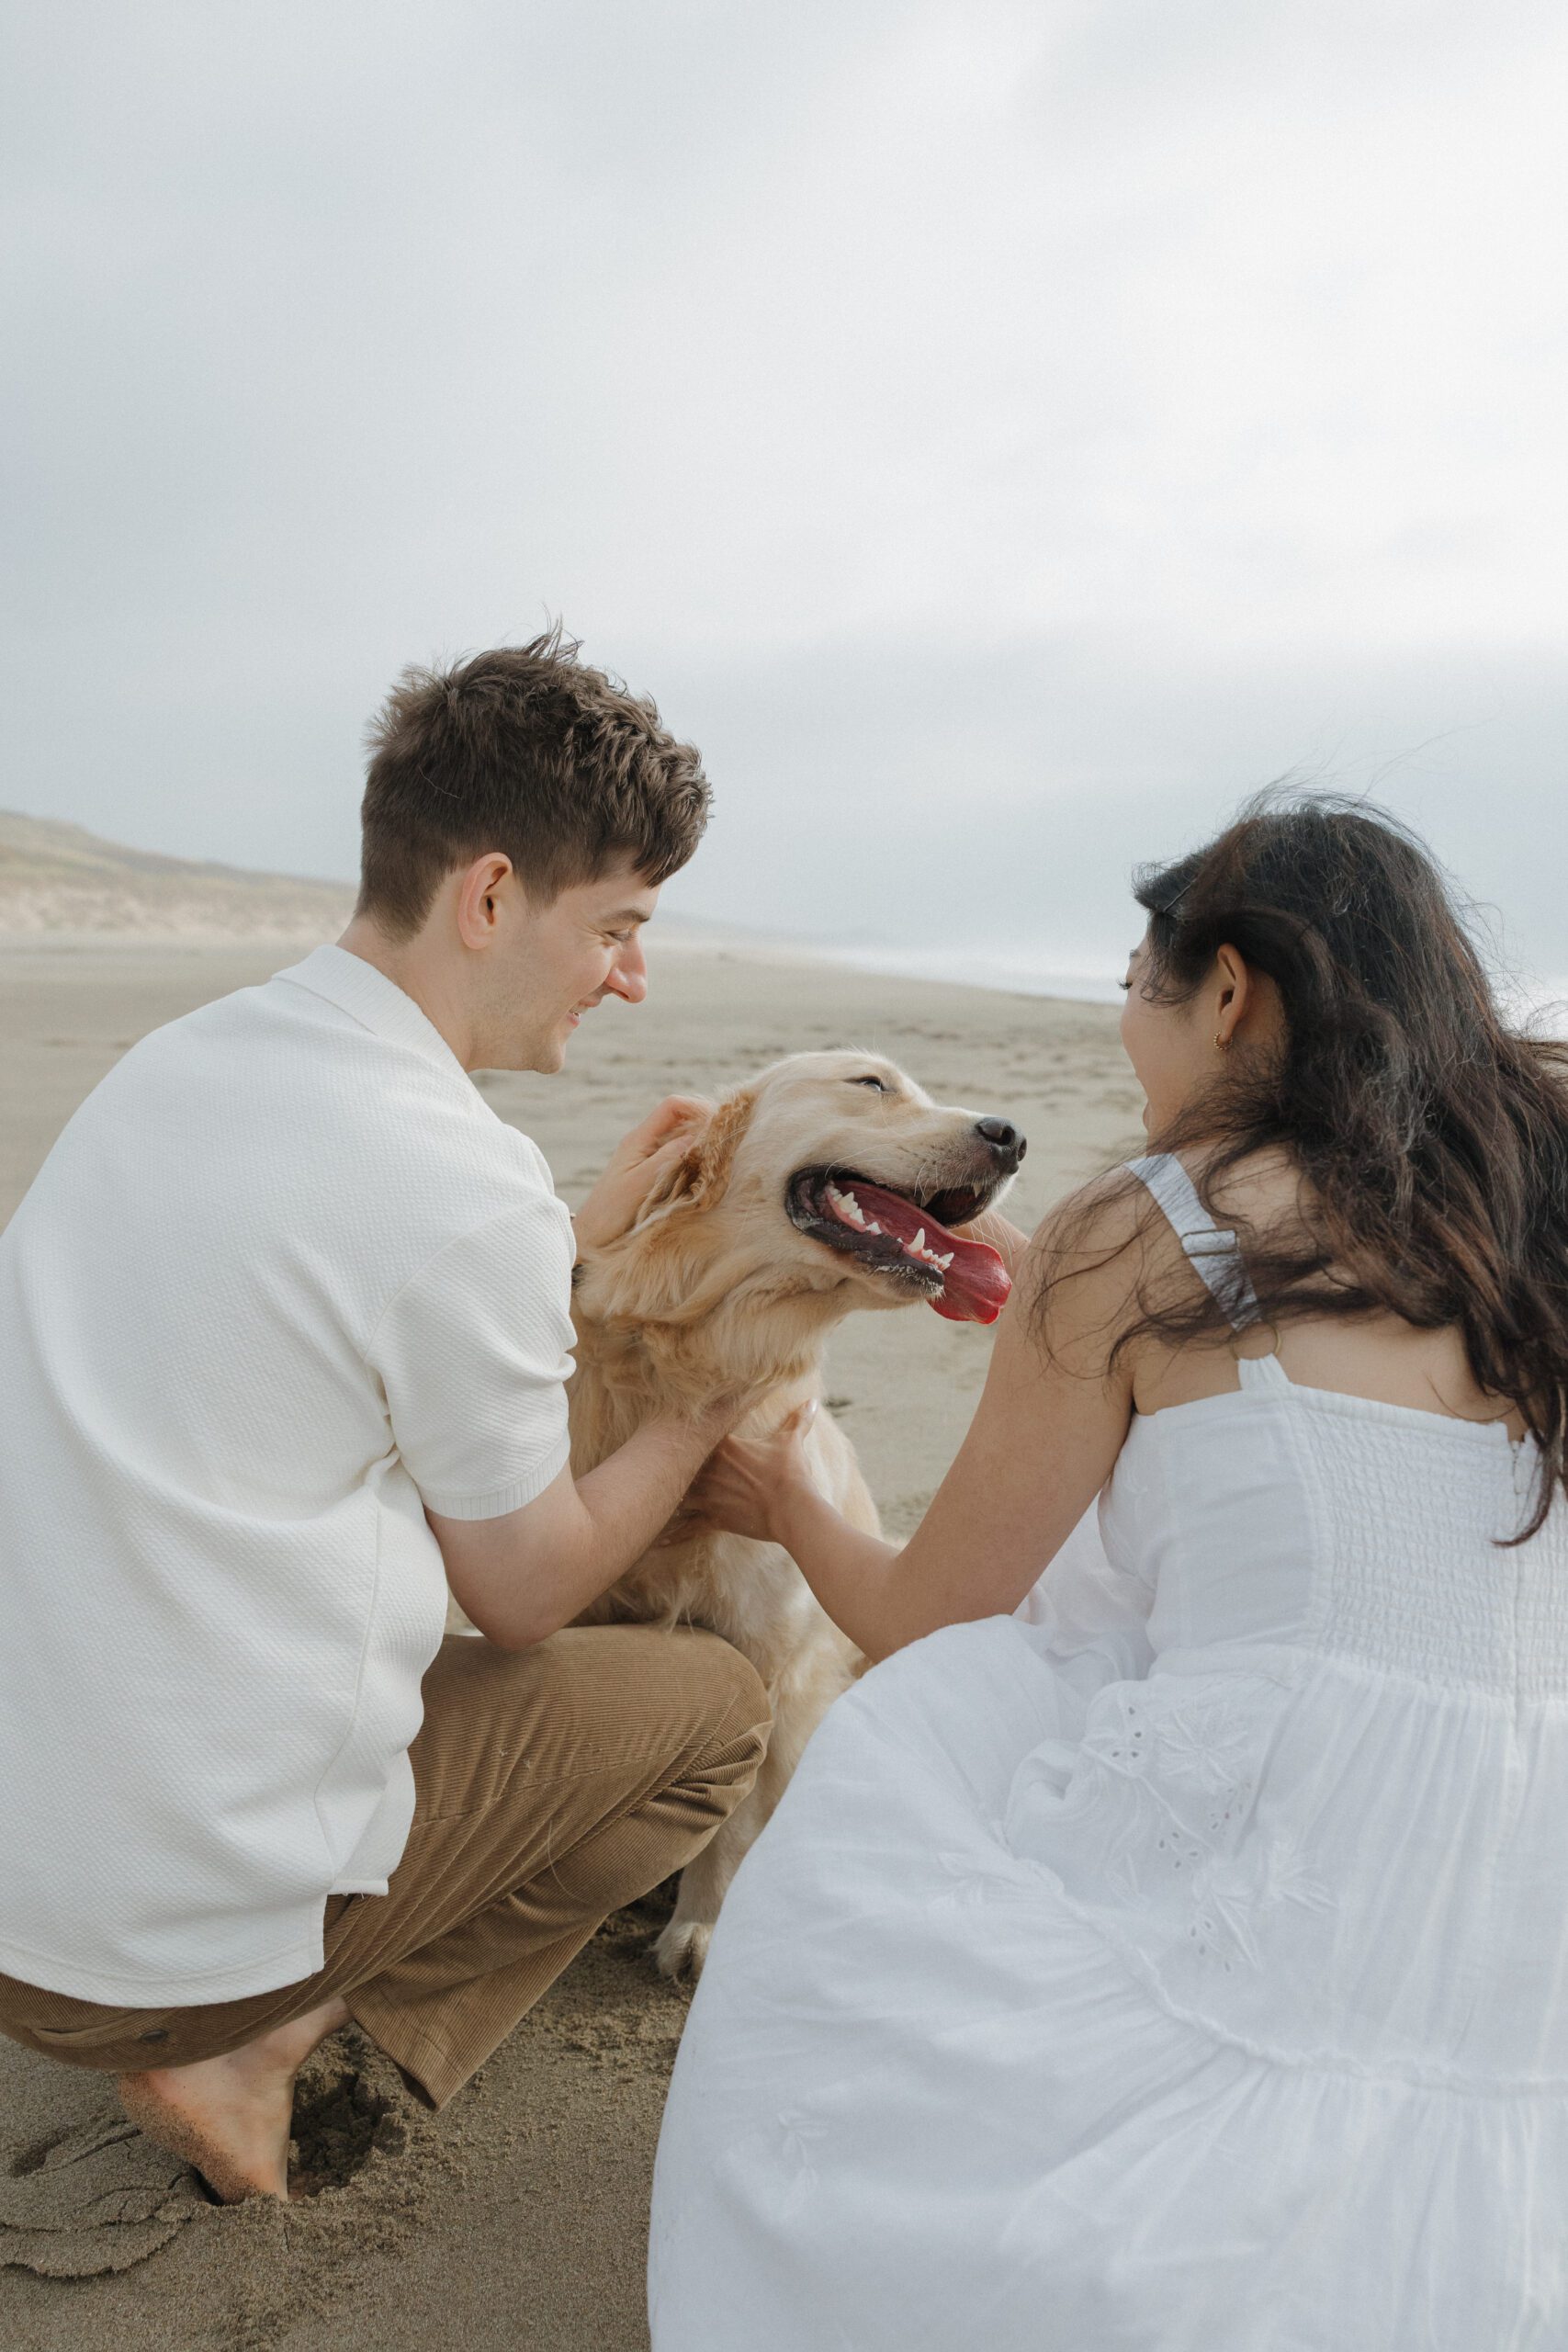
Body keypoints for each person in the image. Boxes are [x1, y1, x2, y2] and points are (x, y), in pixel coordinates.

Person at [648, 794, 1568, 2351]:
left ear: (1228, 993)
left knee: (917, 1748)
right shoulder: (1536, 1216)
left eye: (1139, 989)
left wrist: (798, 1499)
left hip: (1295, 1849)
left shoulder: (1146, 1231)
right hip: (1525, 1878)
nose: (1127, 1029)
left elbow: (926, 1619)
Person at [0, 634, 771, 2203]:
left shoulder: (178, 1063)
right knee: (714, 1710)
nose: (632, 973)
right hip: (145, 1955)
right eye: (618, 926)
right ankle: (260, 2038)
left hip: (21, 1874)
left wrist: (555, 1247)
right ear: (489, 898)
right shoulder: (453, 1176)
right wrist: (693, 1414)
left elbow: (324, 1303)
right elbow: (529, 1589)